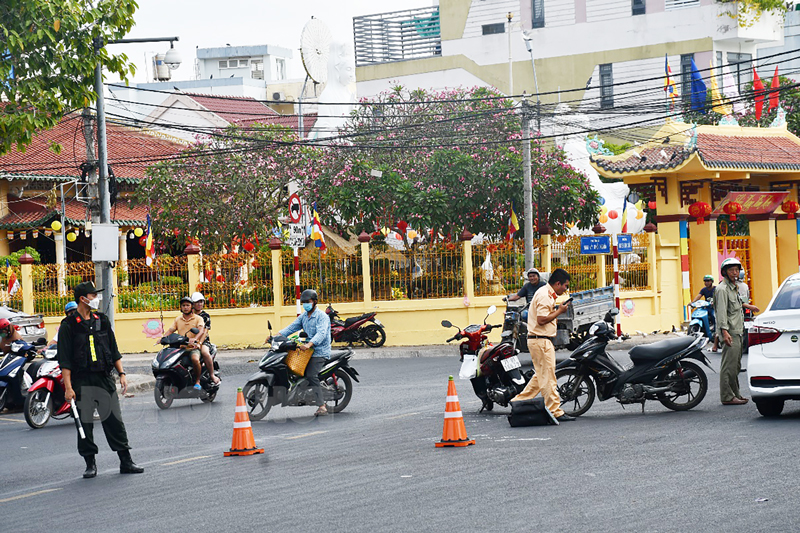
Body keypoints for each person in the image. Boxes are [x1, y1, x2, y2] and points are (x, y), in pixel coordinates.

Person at [58, 281, 143, 478]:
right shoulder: (68, 326)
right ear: (83, 298)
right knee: (85, 424)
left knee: (114, 421)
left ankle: (126, 461)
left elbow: (113, 349)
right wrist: (68, 388)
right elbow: (65, 361)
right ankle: (90, 464)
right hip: (82, 381)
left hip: (104, 378)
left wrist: (121, 374)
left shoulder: (102, 320)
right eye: (93, 295)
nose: (96, 298)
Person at [510, 268, 575, 422]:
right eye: (565, 286)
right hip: (541, 340)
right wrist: (559, 311)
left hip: (539, 340)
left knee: (540, 376)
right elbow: (541, 319)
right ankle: (555, 410)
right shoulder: (545, 295)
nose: (565, 289)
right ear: (558, 283)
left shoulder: (545, 293)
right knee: (549, 377)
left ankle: (518, 402)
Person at [272, 289, 332, 416]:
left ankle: (322, 406)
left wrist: (310, 344)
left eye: (308, 302)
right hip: (306, 351)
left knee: (311, 375)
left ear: (315, 302)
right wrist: (276, 336)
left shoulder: (322, 317)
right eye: (303, 302)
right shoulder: (304, 316)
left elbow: (321, 334)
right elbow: (291, 327)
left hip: (319, 351)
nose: (305, 304)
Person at [714, 258, 749, 406]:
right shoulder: (722, 289)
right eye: (731, 270)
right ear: (725, 272)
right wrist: (725, 332)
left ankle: (735, 394)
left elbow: (737, 305)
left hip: (738, 330)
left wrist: (750, 307)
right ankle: (727, 396)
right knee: (728, 365)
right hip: (730, 332)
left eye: (736, 270)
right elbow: (721, 313)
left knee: (736, 365)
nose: (735, 273)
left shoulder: (733, 287)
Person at [163, 296, 205, 390]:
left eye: (187, 305)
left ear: (191, 307)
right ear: (181, 307)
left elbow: (201, 330)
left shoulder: (198, 318)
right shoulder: (178, 319)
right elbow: (171, 330)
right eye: (183, 305)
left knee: (195, 359)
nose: (185, 307)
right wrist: (163, 338)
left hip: (192, 348)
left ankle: (197, 381)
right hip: (180, 348)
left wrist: (195, 339)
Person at [191, 292, 220, 384]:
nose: (200, 304)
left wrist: (199, 342)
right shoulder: (189, 315)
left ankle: (212, 375)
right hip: (190, 341)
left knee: (205, 353)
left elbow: (205, 331)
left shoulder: (205, 316)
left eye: (201, 302)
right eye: (197, 302)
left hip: (203, 341)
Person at [691, 275, 718, 352]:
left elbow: (718, 297)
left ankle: (716, 332)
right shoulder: (704, 290)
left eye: (708, 281)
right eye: (705, 281)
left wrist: (714, 302)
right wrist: (692, 302)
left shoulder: (715, 289)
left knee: (714, 317)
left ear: (712, 282)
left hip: (713, 308)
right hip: (706, 307)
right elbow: (699, 296)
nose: (706, 283)